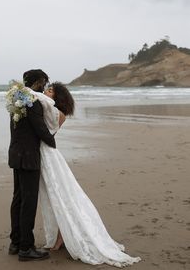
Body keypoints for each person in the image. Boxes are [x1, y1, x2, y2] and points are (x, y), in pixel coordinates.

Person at [34, 82, 141, 267]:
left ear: (58, 96)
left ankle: (62, 237)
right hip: (44, 155)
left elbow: (42, 111)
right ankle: (60, 236)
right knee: (52, 199)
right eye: (46, 89)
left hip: (49, 157)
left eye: (50, 90)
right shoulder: (48, 106)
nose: (45, 92)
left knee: (60, 197)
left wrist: (26, 93)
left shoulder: (57, 113)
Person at [8, 69, 56, 262]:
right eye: (43, 82)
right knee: (28, 202)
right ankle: (26, 248)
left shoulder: (16, 99)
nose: (44, 86)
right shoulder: (32, 103)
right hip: (28, 158)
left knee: (18, 199)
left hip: (16, 154)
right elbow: (40, 128)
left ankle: (16, 242)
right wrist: (53, 143)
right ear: (37, 82)